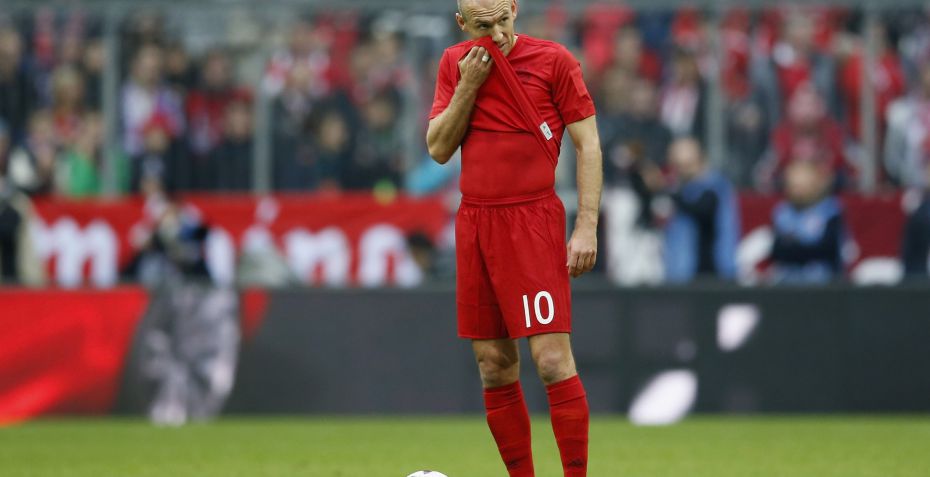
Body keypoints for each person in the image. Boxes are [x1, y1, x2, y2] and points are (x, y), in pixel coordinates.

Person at [426, 1, 602, 475]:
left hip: (532, 219)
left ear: (515, 9)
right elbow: (438, 148)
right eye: (485, 26)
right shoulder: (454, 64)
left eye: (504, 20)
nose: (499, 34)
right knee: (493, 364)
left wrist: (586, 225)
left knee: (551, 359)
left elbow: (588, 144)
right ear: (462, 24)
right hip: (476, 223)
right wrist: (468, 84)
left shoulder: (554, 61)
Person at [663, 137, 740, 282]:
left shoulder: (715, 187)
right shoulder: (682, 189)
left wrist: (669, 193)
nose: (681, 171)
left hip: (714, 273)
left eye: (686, 165)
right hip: (681, 274)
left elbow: (701, 209)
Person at [769, 160, 846, 284]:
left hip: (823, 282)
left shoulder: (830, 210)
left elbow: (828, 249)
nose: (798, 192)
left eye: (803, 186)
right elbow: (777, 251)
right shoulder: (783, 212)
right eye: (794, 186)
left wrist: (795, 246)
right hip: (786, 281)